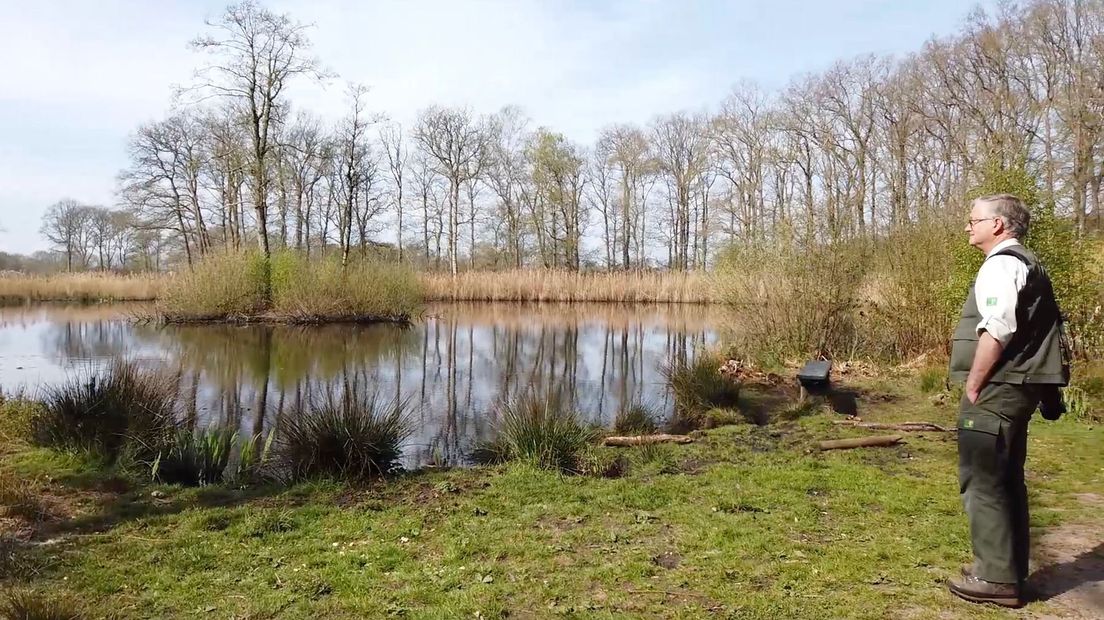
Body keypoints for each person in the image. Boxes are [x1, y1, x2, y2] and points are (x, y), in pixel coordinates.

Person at [946, 193, 1069, 608]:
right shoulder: (1025, 262)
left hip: (998, 387)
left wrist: (974, 384)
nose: (968, 226)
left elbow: (997, 328)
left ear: (997, 224)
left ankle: (995, 578)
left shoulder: (1002, 263)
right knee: (1006, 478)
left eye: (974, 219)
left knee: (983, 479)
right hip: (1016, 387)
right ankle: (1005, 570)